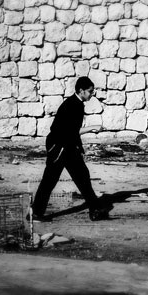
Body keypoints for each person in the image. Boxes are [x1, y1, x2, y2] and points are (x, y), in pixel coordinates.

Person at [31, 76, 111, 222]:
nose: (92, 94)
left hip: (68, 147)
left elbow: (71, 132)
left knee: (83, 177)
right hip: (60, 148)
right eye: (90, 91)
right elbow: (70, 131)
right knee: (50, 180)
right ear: (81, 90)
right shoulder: (73, 105)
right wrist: (92, 128)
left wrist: (78, 147)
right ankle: (36, 213)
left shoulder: (77, 103)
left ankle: (96, 210)